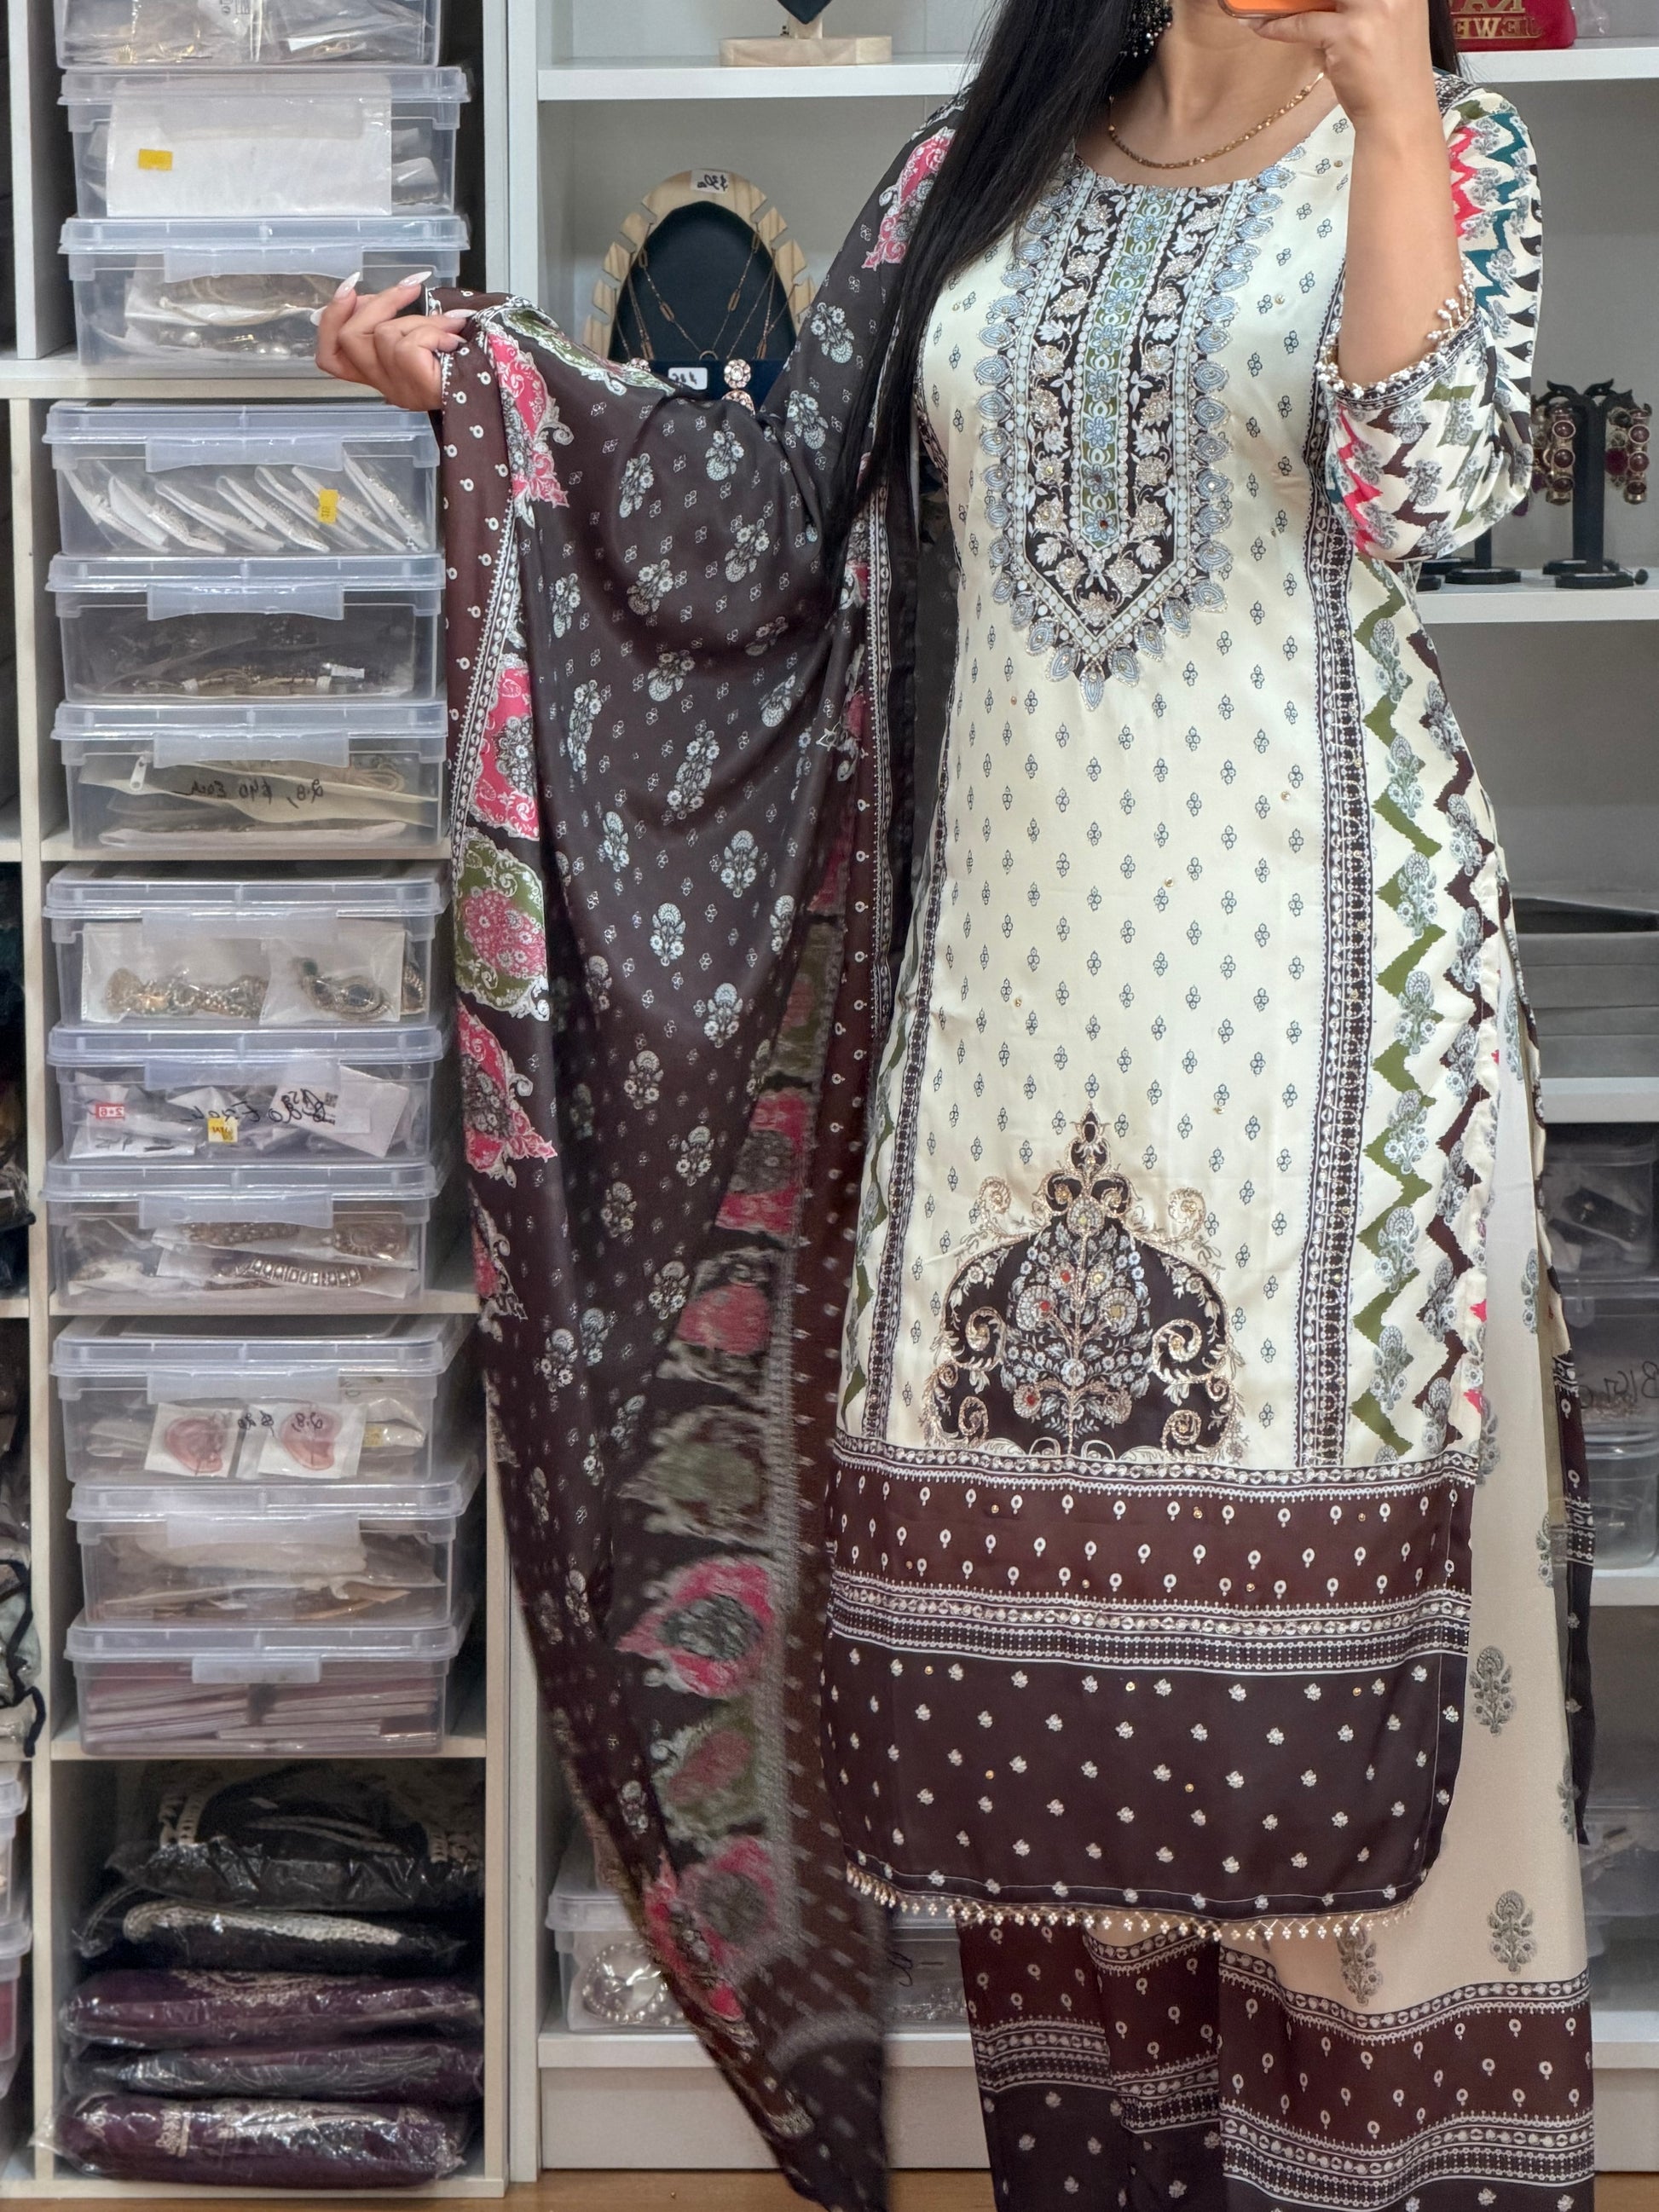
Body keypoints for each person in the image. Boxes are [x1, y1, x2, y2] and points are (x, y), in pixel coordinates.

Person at [319, 0, 1593, 2203]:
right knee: (1047, 1722)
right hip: (1012, 1029)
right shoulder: (973, 172)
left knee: (1349, 1734)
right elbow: (766, 513)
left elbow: (1424, 488)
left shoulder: (1448, 156)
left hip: (1340, 1059)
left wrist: (1392, 94)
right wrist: (495, 394)